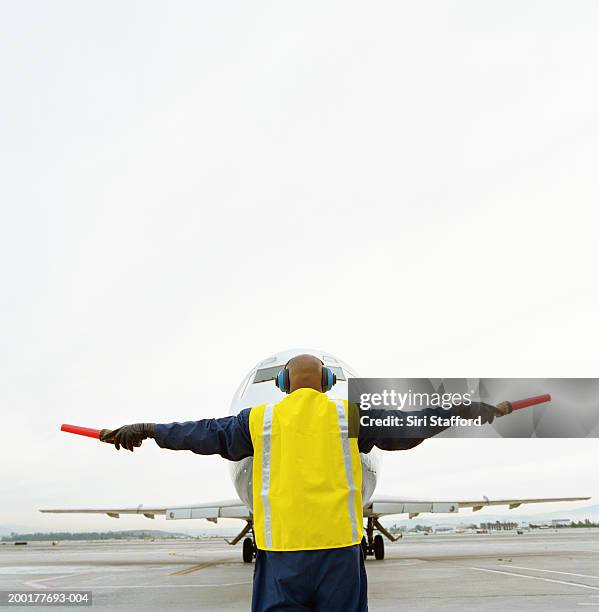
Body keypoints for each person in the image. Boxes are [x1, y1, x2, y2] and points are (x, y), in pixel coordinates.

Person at [103, 354, 501, 611]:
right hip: (340, 555)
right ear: (327, 381)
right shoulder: (351, 416)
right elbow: (413, 424)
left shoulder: (257, 421)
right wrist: (465, 409)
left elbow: (200, 433)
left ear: (282, 383)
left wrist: (149, 429)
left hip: (281, 555)